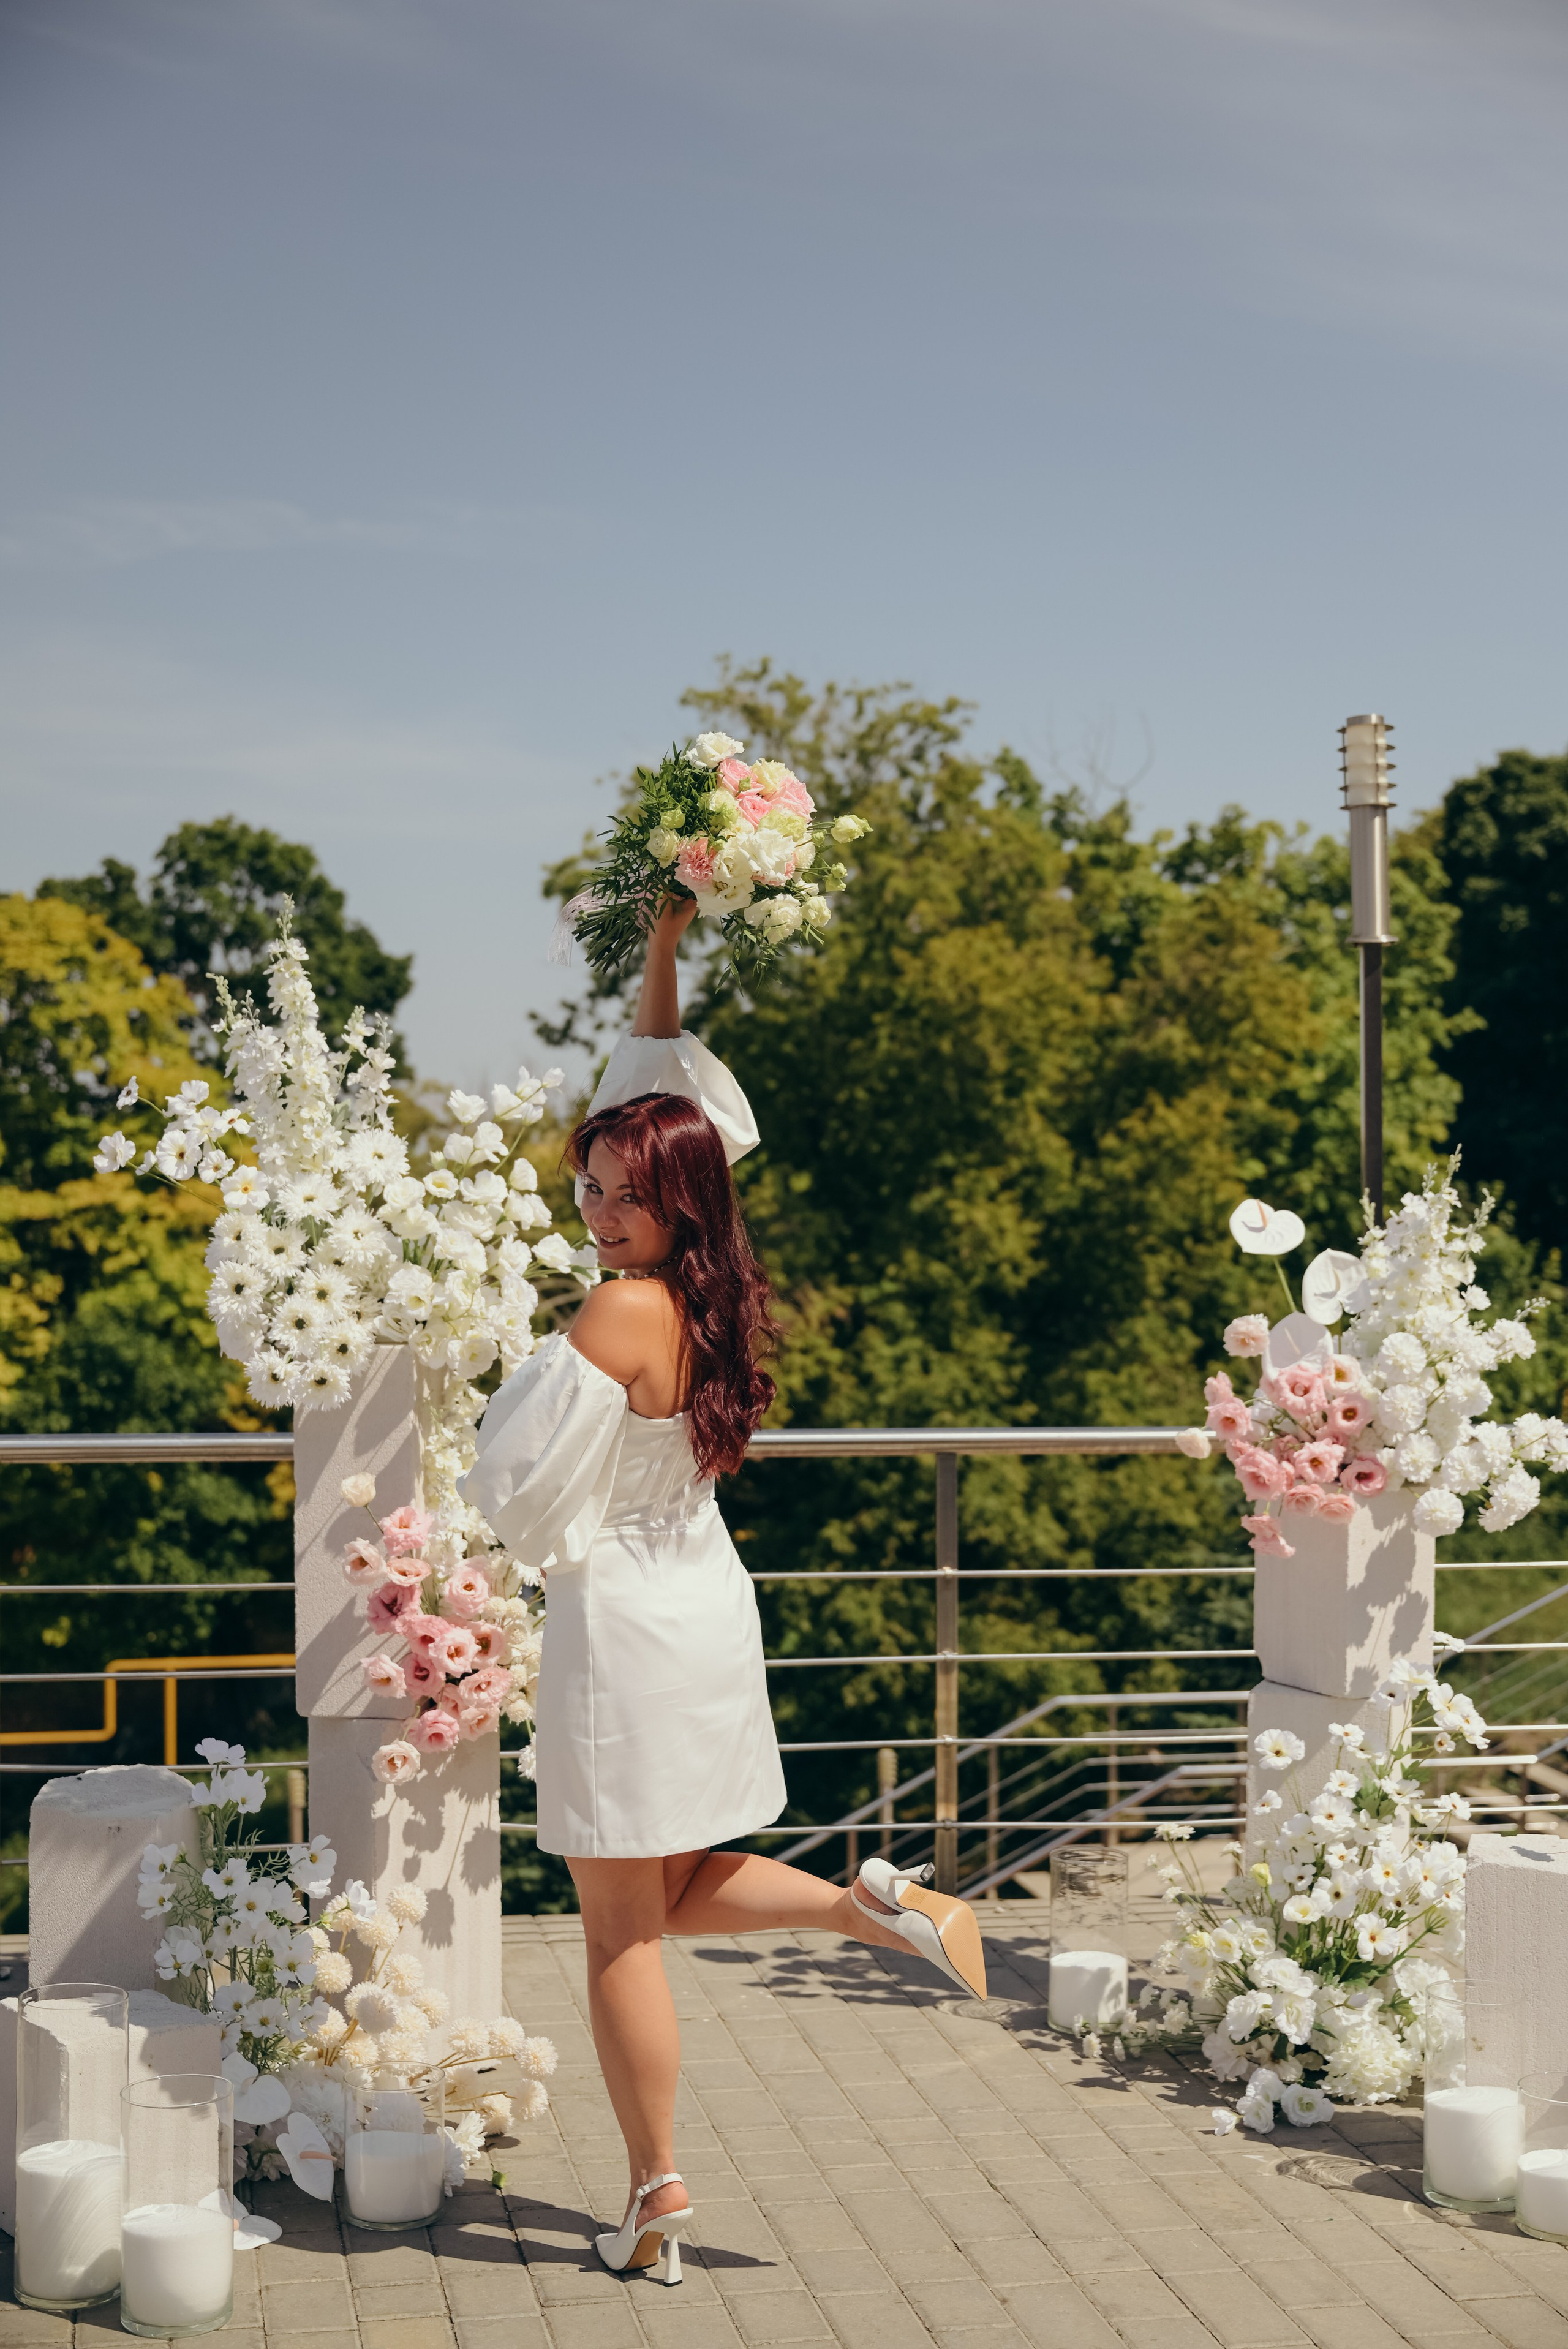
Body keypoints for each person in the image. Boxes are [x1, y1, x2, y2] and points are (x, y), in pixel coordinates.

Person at [459, 896, 987, 2289]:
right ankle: (874, 1907)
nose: (594, 1208)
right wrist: (662, 945)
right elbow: (653, 1084)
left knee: (622, 1924)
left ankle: (654, 2188)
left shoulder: (619, 1306)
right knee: (674, 1882)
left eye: (618, 1195)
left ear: (668, 1200)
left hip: (625, 1625)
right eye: (587, 1186)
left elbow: (509, 1485)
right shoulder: (704, 1294)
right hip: (697, 1599)